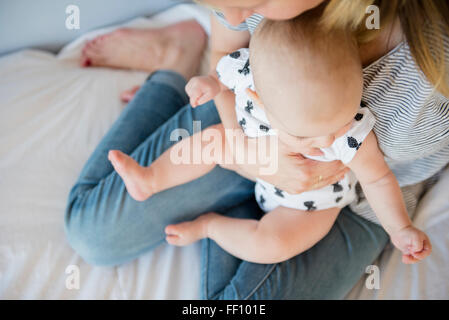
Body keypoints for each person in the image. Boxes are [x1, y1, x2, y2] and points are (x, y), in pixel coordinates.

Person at [66, 0, 449, 299]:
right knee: (92, 236)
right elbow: (224, 71)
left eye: (254, 1)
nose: (229, 14)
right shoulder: (251, 70)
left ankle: (214, 224)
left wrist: (401, 229)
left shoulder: (352, 131)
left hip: (324, 199)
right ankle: (172, 70)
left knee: (270, 250)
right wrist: (242, 147)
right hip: (247, 138)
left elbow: (379, 178)